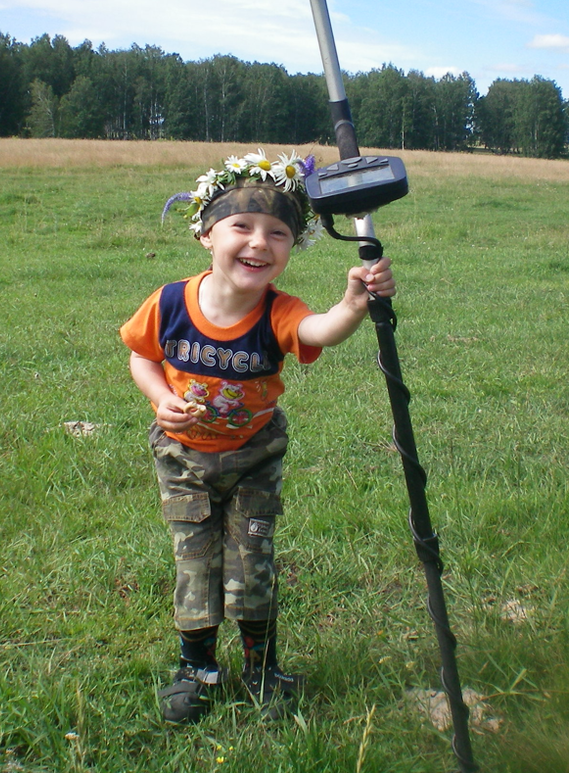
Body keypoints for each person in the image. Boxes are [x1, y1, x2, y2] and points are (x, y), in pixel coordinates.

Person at [120, 150, 396, 724]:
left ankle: (261, 668)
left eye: (278, 233)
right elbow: (140, 357)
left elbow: (320, 330)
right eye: (241, 226)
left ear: (291, 248)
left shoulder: (279, 312)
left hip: (255, 456)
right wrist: (159, 397)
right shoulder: (170, 302)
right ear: (204, 234)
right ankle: (195, 668)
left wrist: (352, 304)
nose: (258, 242)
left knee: (252, 560)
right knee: (195, 559)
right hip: (185, 460)